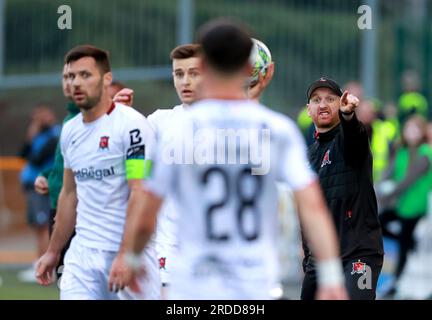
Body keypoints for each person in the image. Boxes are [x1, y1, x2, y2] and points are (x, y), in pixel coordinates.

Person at [117, 18, 347, 300]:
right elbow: (312, 207)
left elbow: (146, 211)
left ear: (202, 67)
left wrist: (132, 260)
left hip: (193, 283)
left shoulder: (178, 130)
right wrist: (332, 277)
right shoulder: (276, 130)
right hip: (253, 283)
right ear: (262, 71)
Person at [35, 45, 160, 300]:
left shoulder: (132, 126)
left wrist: (127, 254)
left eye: (85, 75)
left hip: (130, 255)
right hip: (82, 256)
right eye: (70, 76)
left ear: (107, 79)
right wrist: (53, 251)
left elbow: (139, 190)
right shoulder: (70, 131)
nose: (75, 84)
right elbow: (69, 195)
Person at [301, 77, 384, 300]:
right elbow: (307, 210)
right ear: (309, 110)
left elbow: (354, 137)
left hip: (359, 255)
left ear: (341, 104)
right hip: (320, 260)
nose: (323, 104)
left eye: (330, 99)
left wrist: (349, 116)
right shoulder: (308, 156)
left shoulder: (351, 137)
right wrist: (308, 255)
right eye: (316, 100)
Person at [34, 64, 80, 280]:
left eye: (81, 75)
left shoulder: (90, 119)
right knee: (67, 284)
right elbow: (62, 164)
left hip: (78, 212)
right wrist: (47, 175)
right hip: (59, 206)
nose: (71, 82)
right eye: (67, 77)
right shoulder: (69, 120)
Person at [378, 115, 432, 296]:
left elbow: (408, 181)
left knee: (403, 244)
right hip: (402, 205)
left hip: (415, 206)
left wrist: (387, 197)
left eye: (416, 129)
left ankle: (396, 280)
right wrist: (376, 189)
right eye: (408, 128)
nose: (411, 132)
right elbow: (389, 171)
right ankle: (409, 241)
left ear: (422, 132)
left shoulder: (425, 153)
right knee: (378, 223)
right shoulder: (401, 151)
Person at [18, 105, 61, 282]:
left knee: (44, 226)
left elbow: (36, 158)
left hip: (44, 187)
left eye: (41, 115)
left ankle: (47, 267)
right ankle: (39, 262)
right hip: (32, 186)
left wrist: (34, 133)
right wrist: (31, 135)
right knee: (38, 226)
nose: (37, 119)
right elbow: (23, 154)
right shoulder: (39, 135)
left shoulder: (54, 135)